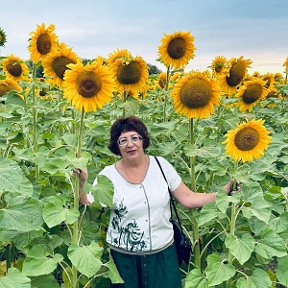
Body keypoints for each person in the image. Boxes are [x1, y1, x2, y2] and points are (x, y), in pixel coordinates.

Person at [76, 115, 237, 288]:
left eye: (134, 138)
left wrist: (223, 193)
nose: (130, 144)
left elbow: (188, 198)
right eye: (122, 140)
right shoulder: (109, 175)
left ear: (143, 140)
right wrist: (81, 183)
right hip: (124, 260)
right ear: (116, 146)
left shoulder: (161, 166)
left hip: (163, 255)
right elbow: (88, 204)